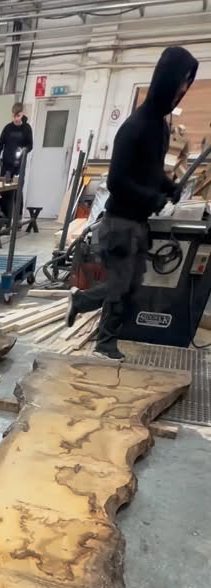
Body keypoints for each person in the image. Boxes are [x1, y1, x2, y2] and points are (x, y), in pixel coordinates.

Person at [66, 45, 198, 361]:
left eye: (188, 83)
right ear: (167, 79)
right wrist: (152, 197)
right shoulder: (136, 126)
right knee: (121, 285)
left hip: (138, 223)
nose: (183, 89)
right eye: (181, 81)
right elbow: (117, 182)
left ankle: (83, 302)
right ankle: (105, 343)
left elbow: (151, 171)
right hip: (120, 223)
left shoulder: (160, 127)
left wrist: (169, 186)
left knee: (130, 286)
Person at [0, 102, 33, 182]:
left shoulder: (27, 128)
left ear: (22, 114)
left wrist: (24, 150)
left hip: (19, 167)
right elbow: (0, 144)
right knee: (3, 190)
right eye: (14, 116)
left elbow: (30, 145)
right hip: (6, 166)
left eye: (18, 116)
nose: (16, 119)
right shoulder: (7, 128)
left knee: (16, 191)